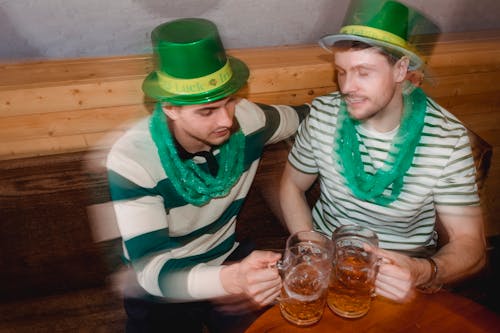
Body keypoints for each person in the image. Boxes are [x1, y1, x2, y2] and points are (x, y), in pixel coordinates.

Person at [106, 18, 308, 332]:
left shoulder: (249, 120)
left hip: (225, 258)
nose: (226, 120)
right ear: (170, 107)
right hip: (160, 288)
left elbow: (308, 115)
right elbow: (149, 269)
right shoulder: (132, 159)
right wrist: (230, 279)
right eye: (206, 111)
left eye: (229, 102)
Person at [279, 0, 486, 303]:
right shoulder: (324, 114)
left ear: (401, 69)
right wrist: (310, 246)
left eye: (363, 72)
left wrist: (420, 271)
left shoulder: (447, 139)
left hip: (401, 274)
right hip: (327, 262)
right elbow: (291, 186)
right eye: (341, 72)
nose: (347, 86)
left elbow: (471, 245)